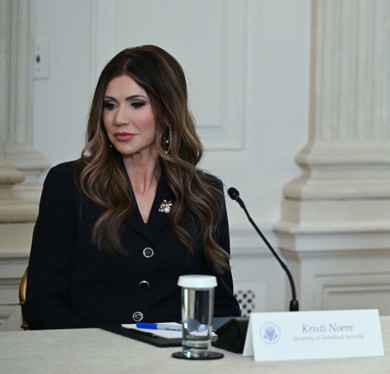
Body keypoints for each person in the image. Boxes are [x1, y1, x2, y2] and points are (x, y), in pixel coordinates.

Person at [22, 45, 241, 329]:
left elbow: (221, 305)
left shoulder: (204, 193)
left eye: (136, 104)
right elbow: (43, 301)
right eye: (110, 105)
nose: (119, 119)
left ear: (167, 109)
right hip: (89, 363)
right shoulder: (68, 184)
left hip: (176, 365)